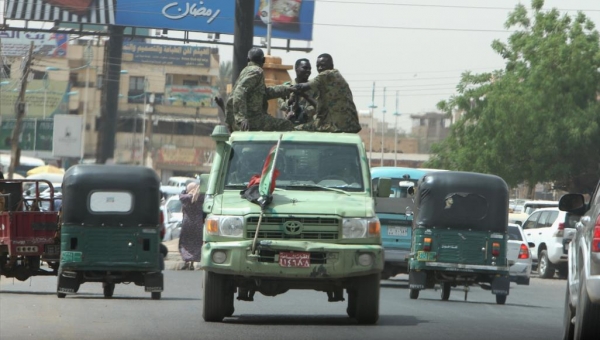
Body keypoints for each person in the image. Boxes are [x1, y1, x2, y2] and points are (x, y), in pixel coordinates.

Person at [225, 47, 296, 132]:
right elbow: (239, 91)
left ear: (248, 59)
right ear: (263, 60)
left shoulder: (246, 71)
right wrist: (241, 118)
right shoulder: (257, 71)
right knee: (287, 125)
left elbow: (265, 93)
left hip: (241, 119)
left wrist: (286, 89)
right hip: (252, 119)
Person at [293, 53, 362, 133]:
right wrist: (304, 95)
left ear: (331, 65)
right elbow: (319, 107)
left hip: (337, 126)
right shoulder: (334, 78)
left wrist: (289, 90)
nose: (320, 68)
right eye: (318, 66)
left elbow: (301, 86)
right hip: (350, 125)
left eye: (323, 65)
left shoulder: (327, 75)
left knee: (296, 129)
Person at [278, 58, 318, 125]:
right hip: (289, 123)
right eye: (305, 68)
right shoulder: (287, 87)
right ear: (296, 69)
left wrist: (304, 112)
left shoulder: (313, 88)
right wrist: (290, 102)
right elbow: (281, 105)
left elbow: (319, 105)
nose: (308, 71)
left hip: (308, 125)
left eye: (309, 69)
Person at [178, 181, 204, 270]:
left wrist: (185, 190)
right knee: (196, 244)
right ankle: (192, 263)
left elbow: (180, 195)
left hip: (187, 223)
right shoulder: (201, 197)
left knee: (185, 243)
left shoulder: (185, 198)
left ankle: (186, 261)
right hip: (198, 224)